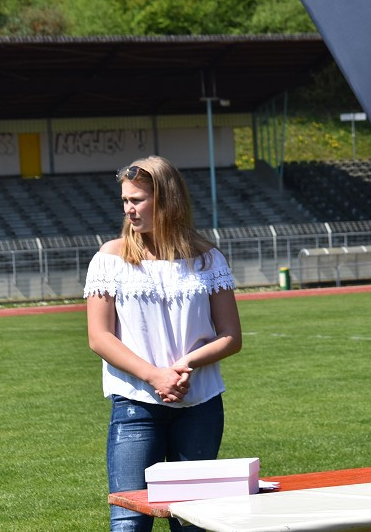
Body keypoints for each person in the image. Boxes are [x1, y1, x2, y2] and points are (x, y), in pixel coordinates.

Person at [85, 156, 242, 532]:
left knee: (193, 522)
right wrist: (155, 376)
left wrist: (183, 366)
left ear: (167, 199)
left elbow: (231, 337)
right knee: (129, 522)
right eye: (125, 200)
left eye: (137, 199)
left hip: (200, 407)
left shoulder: (208, 259)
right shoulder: (111, 258)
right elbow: (99, 337)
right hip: (135, 405)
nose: (128, 209)